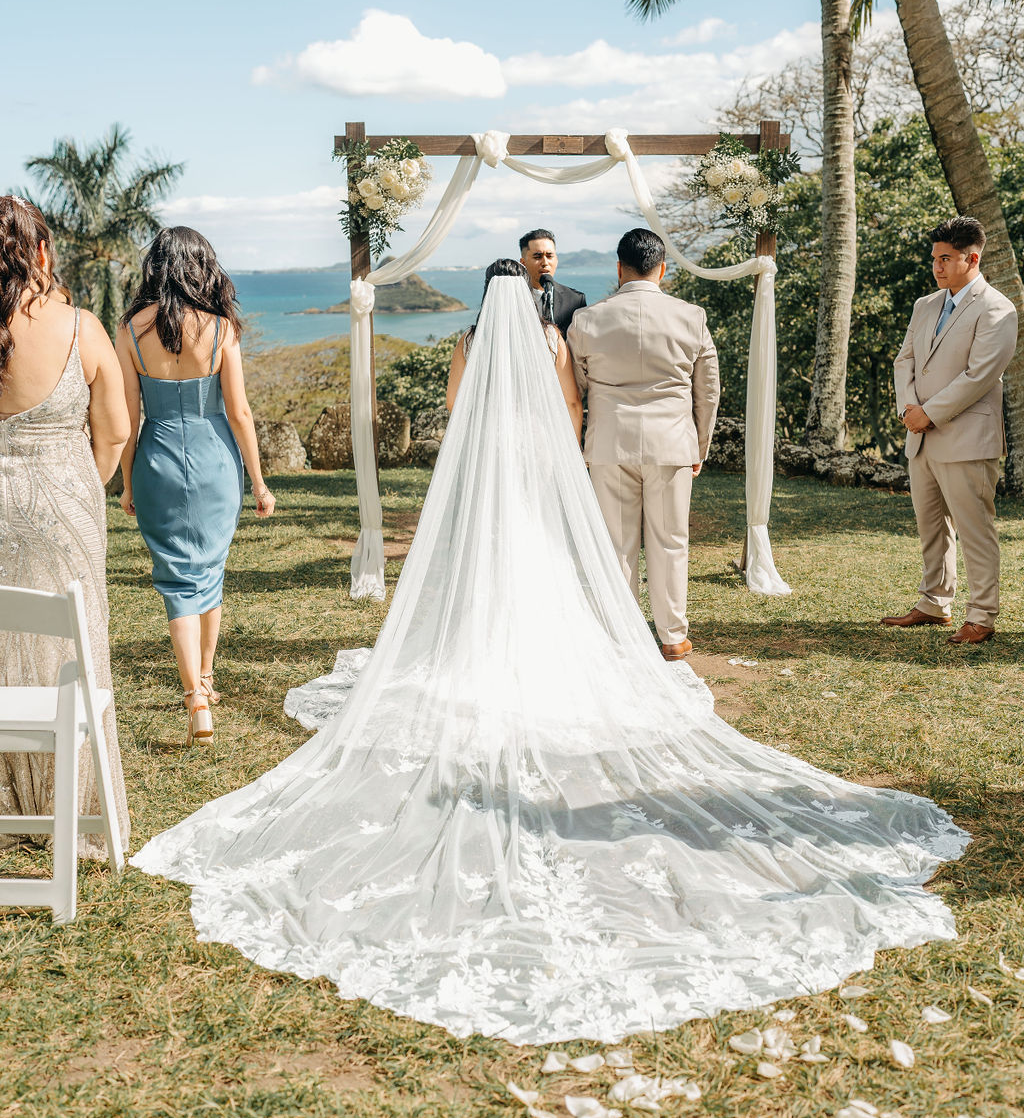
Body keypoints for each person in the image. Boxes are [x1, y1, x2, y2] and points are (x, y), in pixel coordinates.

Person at [133, 261, 966, 1048]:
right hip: (538, 469)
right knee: (540, 568)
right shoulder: (551, 339)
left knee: (480, 571)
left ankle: (471, 650)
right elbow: (571, 410)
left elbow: (458, 413)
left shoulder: (465, 346)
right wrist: (551, 454)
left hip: (485, 470)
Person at [0, 195, 131, 853]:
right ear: (40, 253)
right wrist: (76, 490)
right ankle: (68, 817)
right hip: (65, 515)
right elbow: (115, 431)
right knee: (73, 658)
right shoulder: (80, 328)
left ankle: (13, 806)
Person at [116, 227, 276, 746]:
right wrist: (258, 480)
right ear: (202, 266)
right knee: (209, 569)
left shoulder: (131, 329)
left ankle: (197, 696)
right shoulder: (221, 327)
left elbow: (128, 414)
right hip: (215, 461)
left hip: (157, 459)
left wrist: (126, 482)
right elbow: (240, 411)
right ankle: (203, 683)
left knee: (177, 579)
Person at [568, 228, 719, 661]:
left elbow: (577, 389)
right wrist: (700, 447)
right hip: (672, 443)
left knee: (616, 543)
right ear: (662, 270)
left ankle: (623, 634)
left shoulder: (588, 320)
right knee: (670, 540)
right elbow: (707, 391)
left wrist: (582, 442)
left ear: (619, 269)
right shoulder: (691, 316)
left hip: (609, 443)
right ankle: (672, 635)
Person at [883, 216, 1018, 644]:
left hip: (965, 438)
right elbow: (904, 360)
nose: (937, 267)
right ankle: (934, 602)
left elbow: (980, 375)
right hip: (920, 435)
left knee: (974, 527)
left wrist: (930, 413)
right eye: (935, 258)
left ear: (971, 258)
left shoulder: (998, 308)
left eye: (945, 259)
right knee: (931, 527)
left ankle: (982, 615)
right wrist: (910, 408)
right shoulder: (925, 305)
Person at [446, 258, 582, 439]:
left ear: (488, 292)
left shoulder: (471, 340)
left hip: (488, 437)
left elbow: (453, 402)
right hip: (539, 438)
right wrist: (573, 448)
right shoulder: (550, 337)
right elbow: (571, 402)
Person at [519, 228, 586, 337]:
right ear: (523, 263)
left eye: (549, 256)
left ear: (556, 260)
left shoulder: (575, 300)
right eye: (537, 256)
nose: (545, 262)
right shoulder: (513, 297)